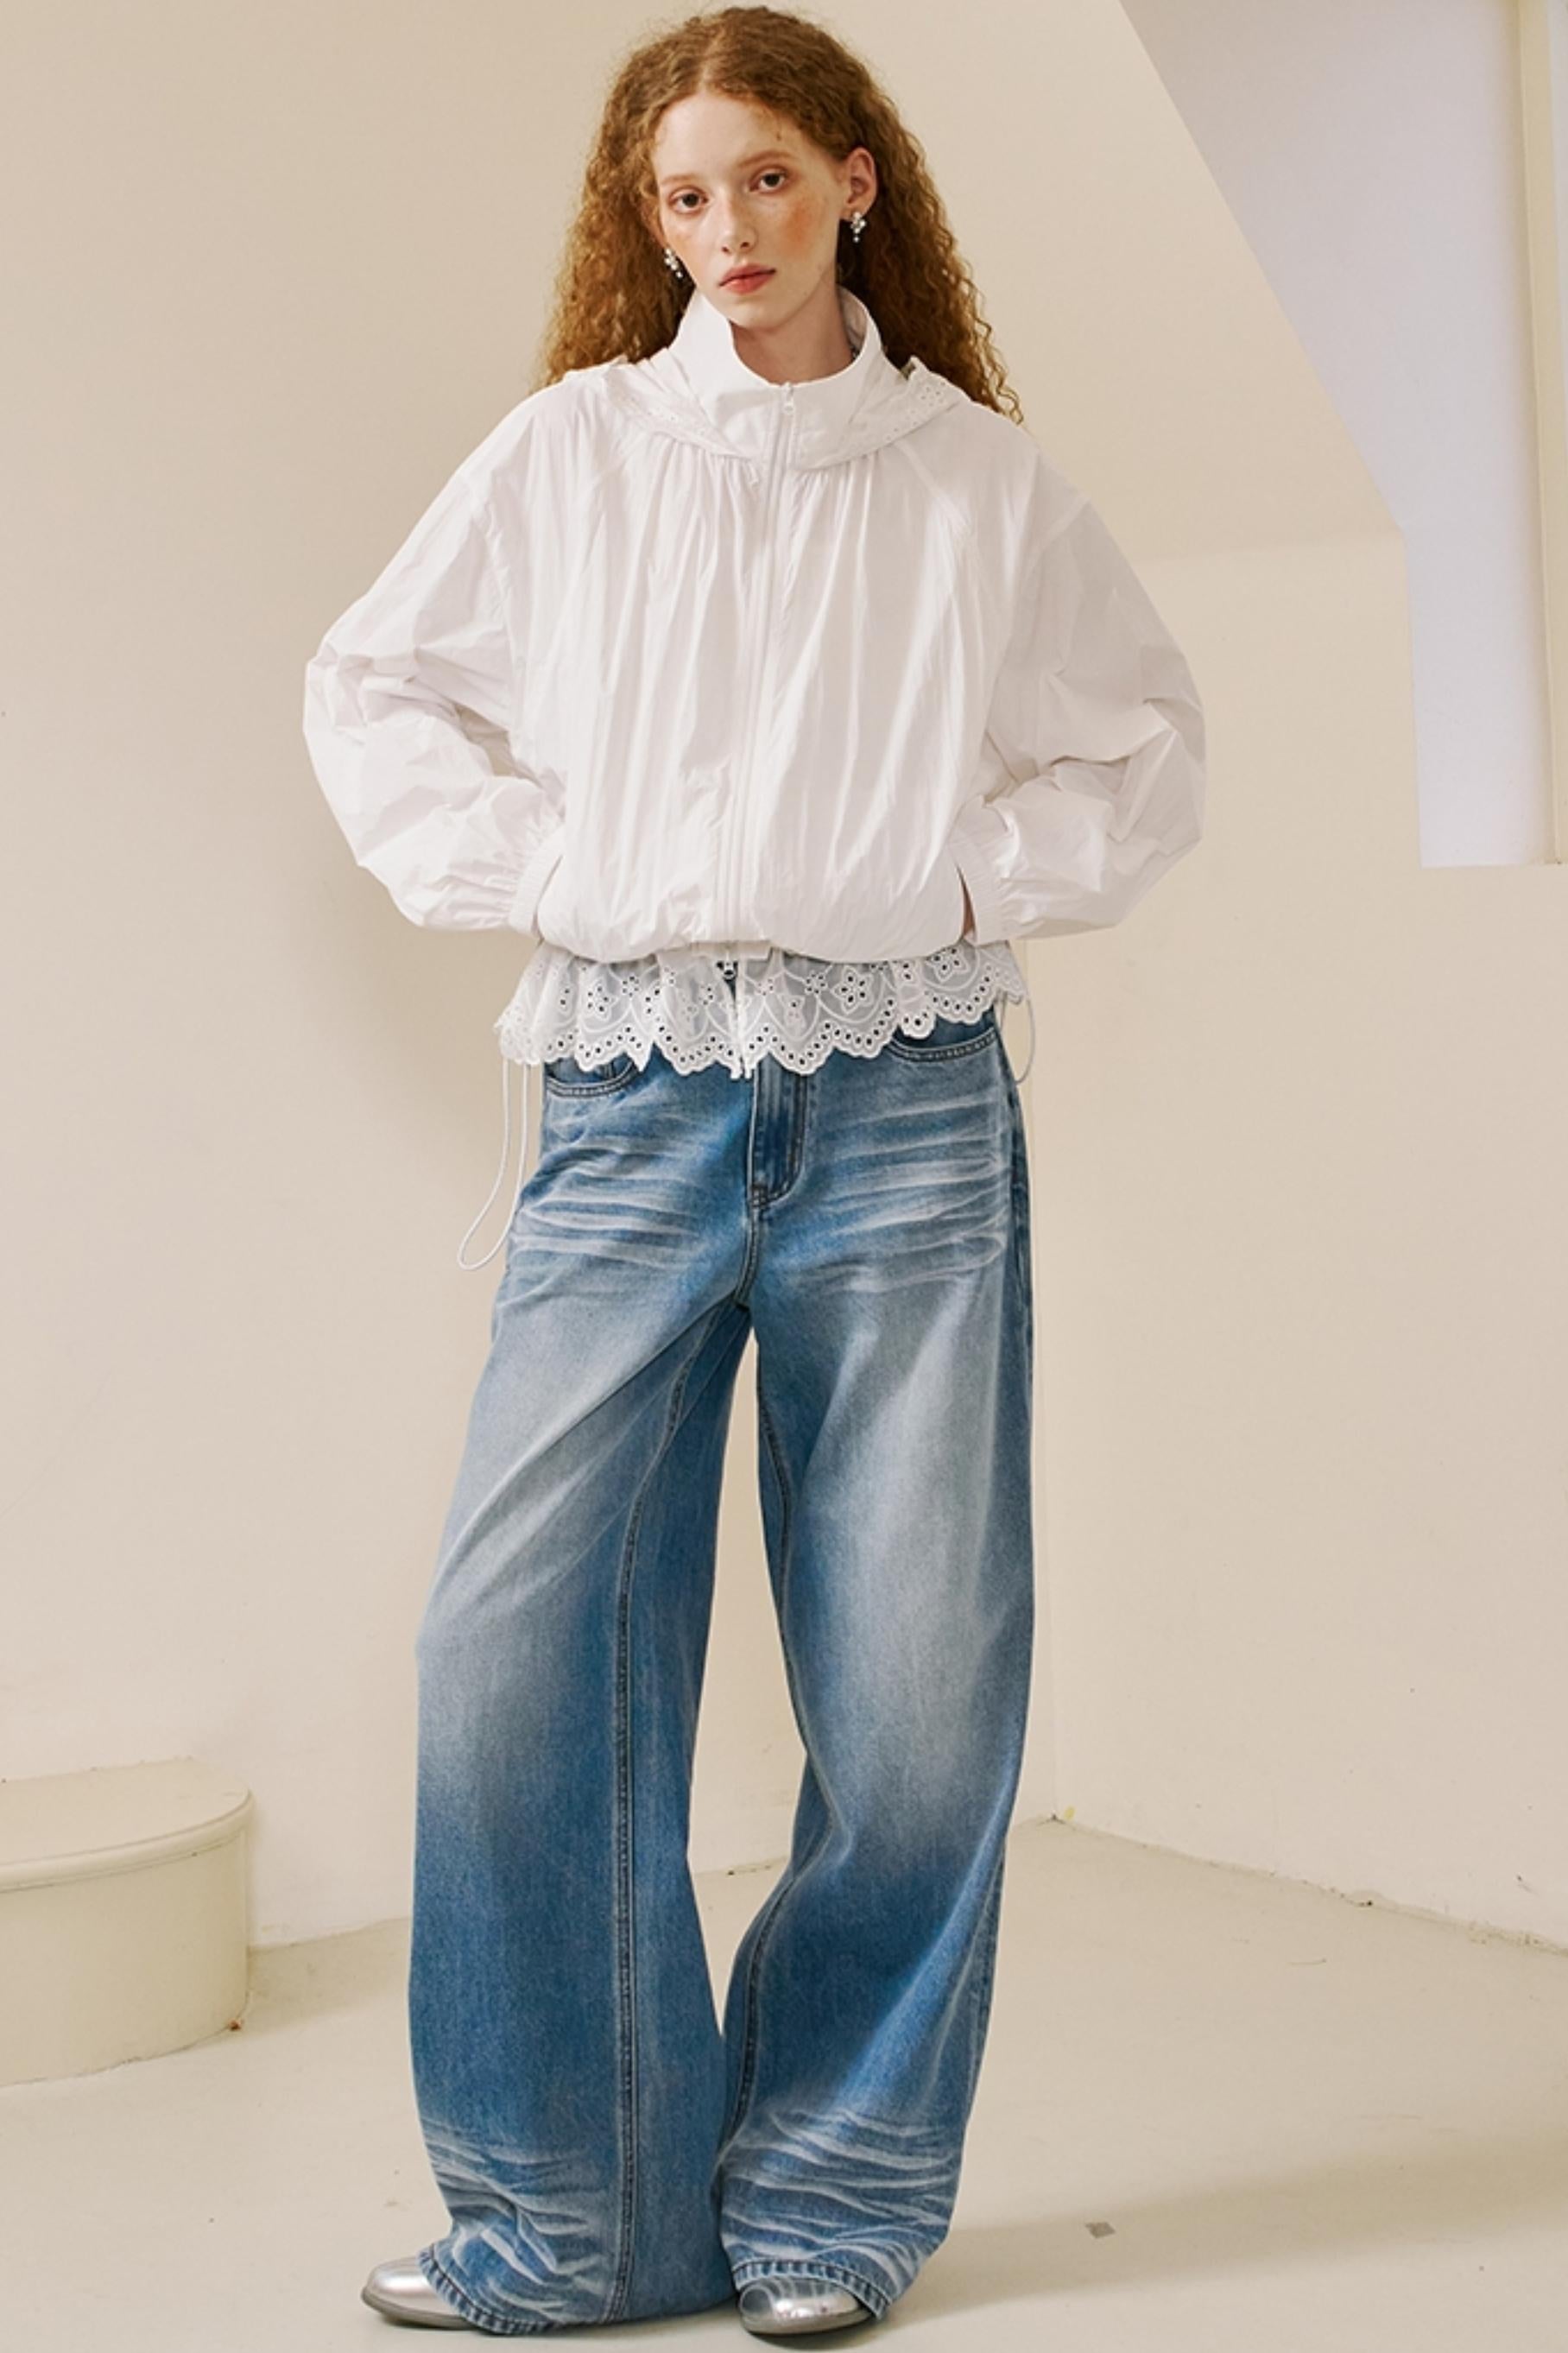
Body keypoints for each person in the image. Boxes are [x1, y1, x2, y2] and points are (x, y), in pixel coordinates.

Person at [301, 6, 1205, 2337]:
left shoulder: (977, 485)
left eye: (770, 182)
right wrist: (558, 873)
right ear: (653, 217)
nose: (729, 233)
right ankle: (577, 2221)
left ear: (855, 183)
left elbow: (1144, 748)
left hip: (905, 1109)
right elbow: (374, 689)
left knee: (914, 1687)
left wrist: (951, 877)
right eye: (686, 197)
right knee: (509, 1653)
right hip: (630, 1099)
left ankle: (832, 2200)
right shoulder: (575, 453)